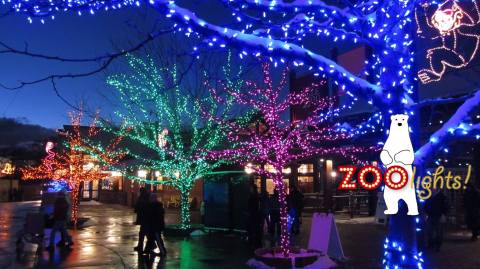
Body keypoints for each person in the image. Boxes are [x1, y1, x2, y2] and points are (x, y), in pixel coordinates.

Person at [134, 188, 150, 253]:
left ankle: (141, 246)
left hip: (143, 218)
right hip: (145, 218)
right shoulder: (147, 198)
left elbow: (137, 207)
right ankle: (140, 246)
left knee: (143, 233)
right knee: (143, 233)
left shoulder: (141, 199)